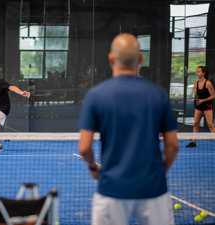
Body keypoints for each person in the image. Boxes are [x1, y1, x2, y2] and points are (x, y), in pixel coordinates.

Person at [77, 33, 179, 225]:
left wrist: (92, 168)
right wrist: (158, 173)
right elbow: (172, 146)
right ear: (140, 59)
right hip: (153, 190)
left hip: (111, 190)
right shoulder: (158, 95)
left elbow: (84, 148)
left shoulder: (95, 96)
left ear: (111, 59)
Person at [186, 66, 215, 147]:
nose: (197, 73)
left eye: (199, 72)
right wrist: (196, 100)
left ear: (204, 73)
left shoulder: (208, 83)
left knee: (210, 124)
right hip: (199, 106)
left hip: (207, 105)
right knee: (195, 124)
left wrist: (203, 100)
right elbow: (196, 95)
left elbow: (213, 96)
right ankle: (193, 142)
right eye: (196, 71)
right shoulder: (196, 84)